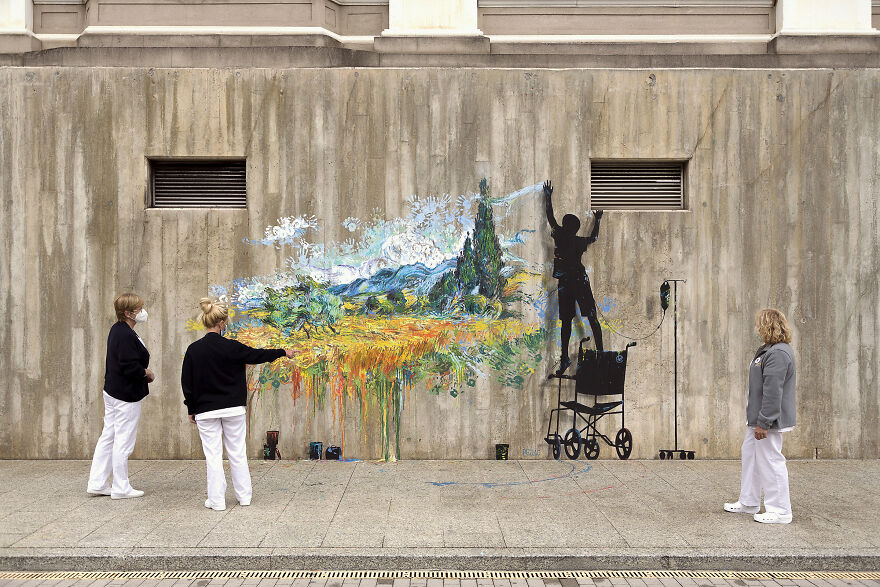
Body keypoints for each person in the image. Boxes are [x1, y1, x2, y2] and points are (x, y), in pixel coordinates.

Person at [182, 298, 294, 511]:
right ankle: (244, 497)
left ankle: (217, 501)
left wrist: (191, 408)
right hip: (233, 408)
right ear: (222, 322)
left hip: (205, 410)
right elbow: (257, 355)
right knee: (237, 452)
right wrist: (282, 352)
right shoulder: (232, 347)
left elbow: (186, 382)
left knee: (213, 456)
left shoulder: (194, 350)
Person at [724, 308, 797, 524]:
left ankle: (781, 510)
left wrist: (764, 422)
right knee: (751, 455)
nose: (756, 329)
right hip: (757, 418)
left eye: (759, 325)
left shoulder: (778, 354)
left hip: (768, 420)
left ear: (767, 326)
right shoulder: (767, 350)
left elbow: (773, 391)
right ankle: (749, 501)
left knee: (771, 460)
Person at [87, 293, 155, 499]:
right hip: (126, 395)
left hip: (113, 391)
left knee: (109, 436)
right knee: (123, 441)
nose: (142, 312)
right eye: (138, 309)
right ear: (127, 313)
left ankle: (97, 482)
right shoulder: (125, 334)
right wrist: (146, 373)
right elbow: (129, 366)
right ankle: (121, 487)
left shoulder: (118, 330)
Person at [543, 179, 604, 374]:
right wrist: (597, 220)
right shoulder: (575, 240)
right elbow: (594, 238)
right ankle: (599, 354)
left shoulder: (560, 235)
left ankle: (566, 358)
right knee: (589, 316)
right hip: (577, 280)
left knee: (567, 321)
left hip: (568, 282)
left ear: (566, 225)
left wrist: (548, 197)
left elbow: (550, 217)